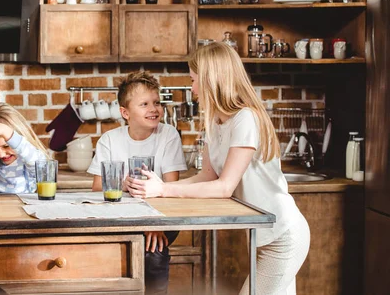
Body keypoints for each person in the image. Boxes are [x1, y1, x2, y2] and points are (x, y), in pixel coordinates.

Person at [126, 43, 310, 295]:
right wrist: (156, 186)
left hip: (283, 235)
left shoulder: (246, 118)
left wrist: (164, 190)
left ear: (212, 80)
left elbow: (224, 187)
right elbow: (207, 176)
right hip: (261, 235)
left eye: (194, 80)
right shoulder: (215, 121)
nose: (192, 89)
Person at [86, 71, 187, 295]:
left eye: (156, 103)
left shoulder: (168, 135)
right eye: (144, 104)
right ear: (125, 112)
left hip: (162, 214)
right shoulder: (110, 140)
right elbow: (96, 188)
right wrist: (124, 185)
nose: (154, 109)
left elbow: (170, 190)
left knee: (154, 250)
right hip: (121, 216)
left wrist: (154, 225)